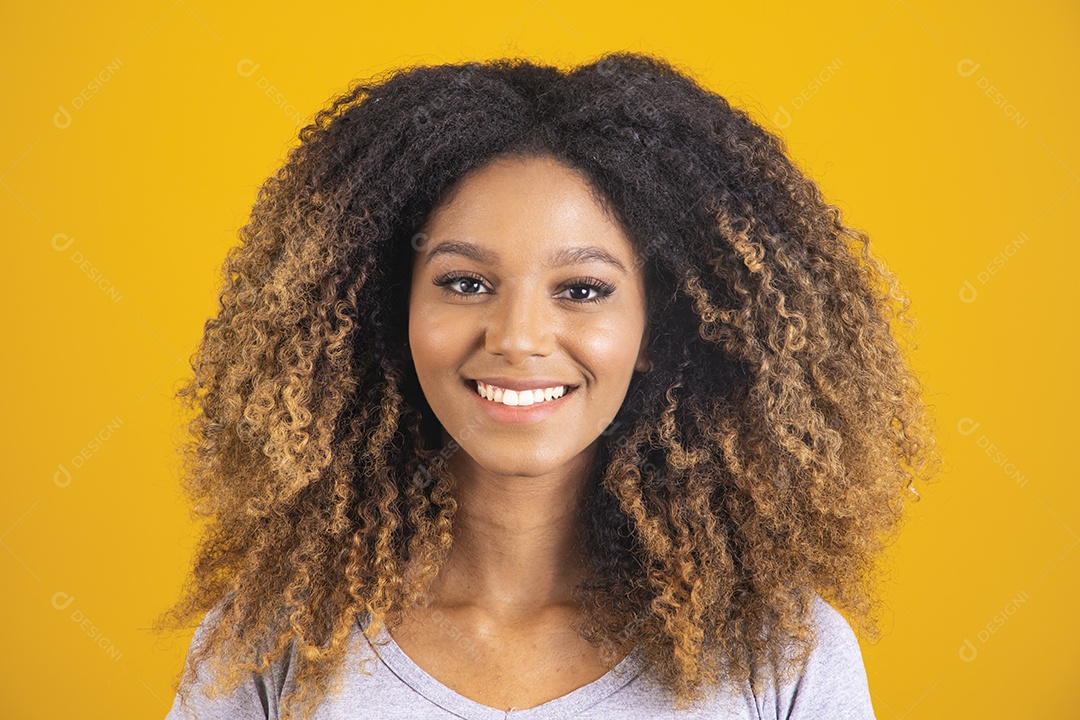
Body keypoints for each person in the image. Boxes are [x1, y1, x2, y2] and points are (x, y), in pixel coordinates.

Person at [155, 51, 940, 719]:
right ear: (389, 312)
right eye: (464, 283)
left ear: (657, 333)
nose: (518, 337)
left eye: (584, 289)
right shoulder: (270, 645)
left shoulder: (783, 654)